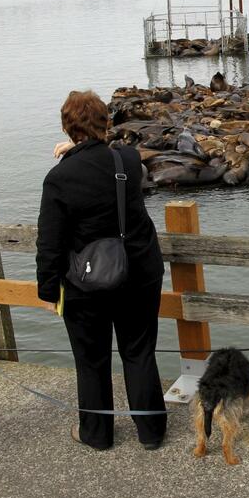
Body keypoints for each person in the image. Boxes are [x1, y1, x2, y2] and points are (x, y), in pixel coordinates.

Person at [36, 90, 167, 451]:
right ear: (107, 124)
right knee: (139, 351)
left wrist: (47, 290)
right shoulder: (126, 160)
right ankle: (151, 433)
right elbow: (110, 154)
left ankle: (97, 433)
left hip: (86, 282)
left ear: (66, 127)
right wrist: (80, 147)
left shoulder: (59, 179)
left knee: (91, 359)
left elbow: (50, 241)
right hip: (138, 271)